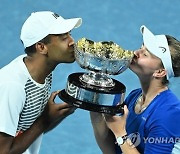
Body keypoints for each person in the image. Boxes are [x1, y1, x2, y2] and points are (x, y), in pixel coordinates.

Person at [0, 11, 82, 154]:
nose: (72, 42)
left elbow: (30, 130)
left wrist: (60, 113)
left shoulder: (42, 73)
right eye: (64, 38)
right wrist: (45, 119)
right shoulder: (13, 86)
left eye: (69, 34)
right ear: (41, 47)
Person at [90, 25, 180, 154]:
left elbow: (119, 135)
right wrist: (95, 109)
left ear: (160, 72)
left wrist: (121, 134)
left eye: (145, 54)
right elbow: (110, 150)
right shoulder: (135, 96)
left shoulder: (168, 114)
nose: (136, 53)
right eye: (141, 47)